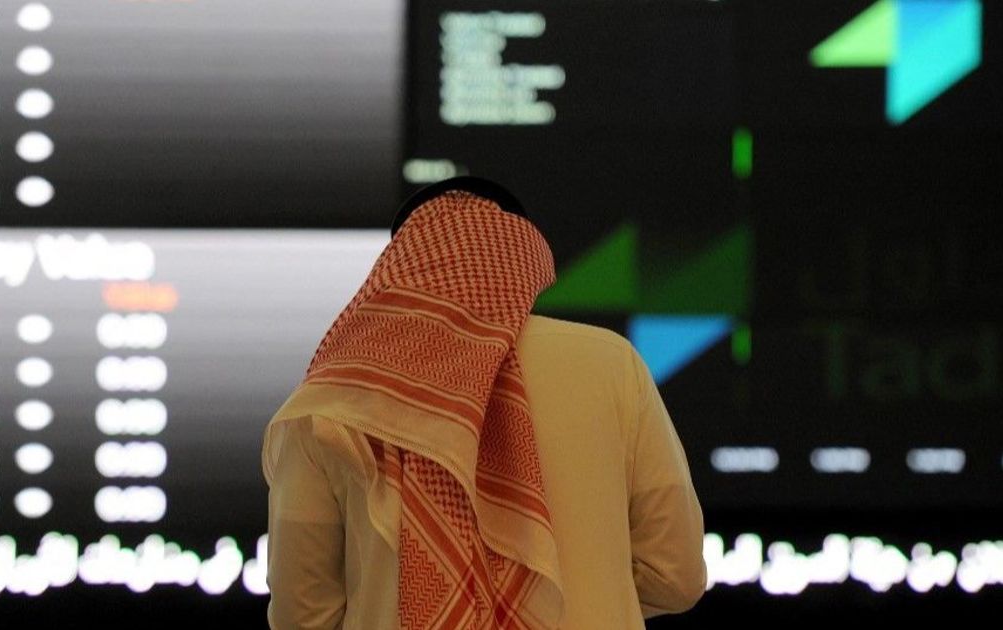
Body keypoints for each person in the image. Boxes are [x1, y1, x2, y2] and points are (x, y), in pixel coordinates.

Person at [261, 176, 706, 629]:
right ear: (520, 265)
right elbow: (677, 576)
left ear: (399, 268)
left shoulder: (330, 398)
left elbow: (303, 616)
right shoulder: (612, 364)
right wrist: (595, 598)